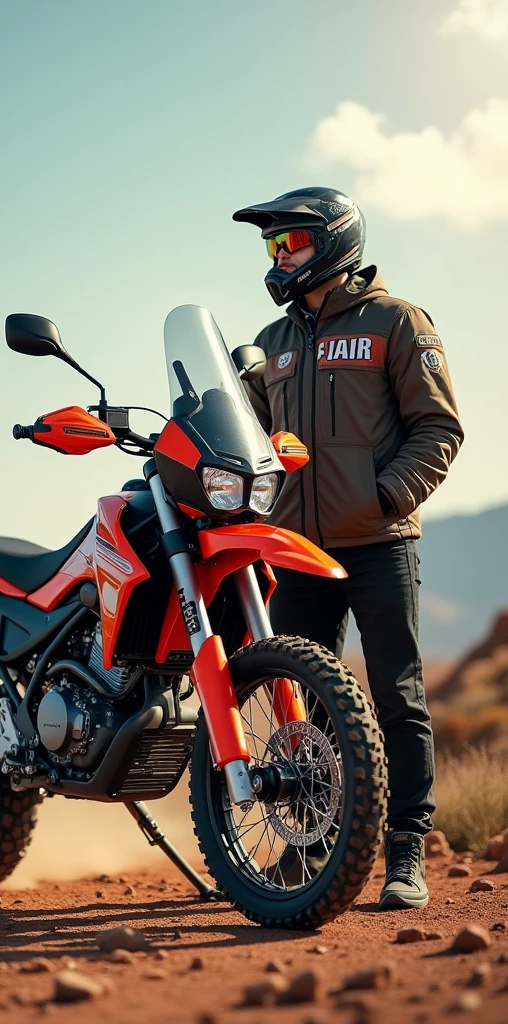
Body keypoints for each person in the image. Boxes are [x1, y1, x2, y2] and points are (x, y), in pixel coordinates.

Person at [233, 186, 464, 909]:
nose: (278, 257)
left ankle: (405, 856)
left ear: (333, 240)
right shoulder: (269, 345)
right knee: (299, 701)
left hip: (378, 543)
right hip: (297, 550)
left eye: (289, 243)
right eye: (272, 246)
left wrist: (385, 497)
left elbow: (440, 429)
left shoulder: (397, 322)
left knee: (397, 696)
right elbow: (249, 443)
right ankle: (312, 851)